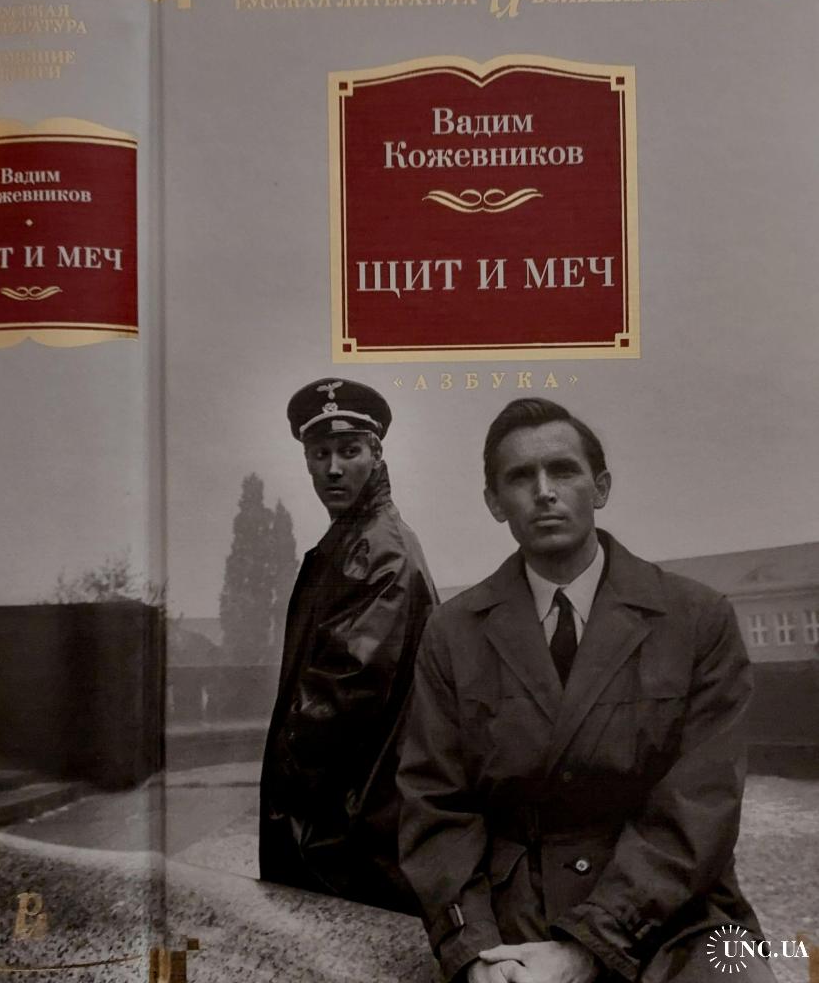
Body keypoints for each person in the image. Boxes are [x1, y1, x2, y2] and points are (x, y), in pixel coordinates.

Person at [398, 397, 770, 983]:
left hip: (676, 917)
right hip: (515, 914)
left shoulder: (697, 619)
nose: (544, 491)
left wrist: (589, 947)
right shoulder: (453, 632)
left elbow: (699, 810)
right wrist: (473, 952)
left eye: (563, 471)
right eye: (520, 477)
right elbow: (435, 805)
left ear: (601, 488)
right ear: (494, 502)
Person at [259, 377, 437, 913]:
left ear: (376, 454)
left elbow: (340, 699)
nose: (333, 468)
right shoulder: (355, 540)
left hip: (351, 827)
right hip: (353, 813)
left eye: (349, 451)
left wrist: (283, 794)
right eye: (321, 454)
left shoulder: (375, 548)